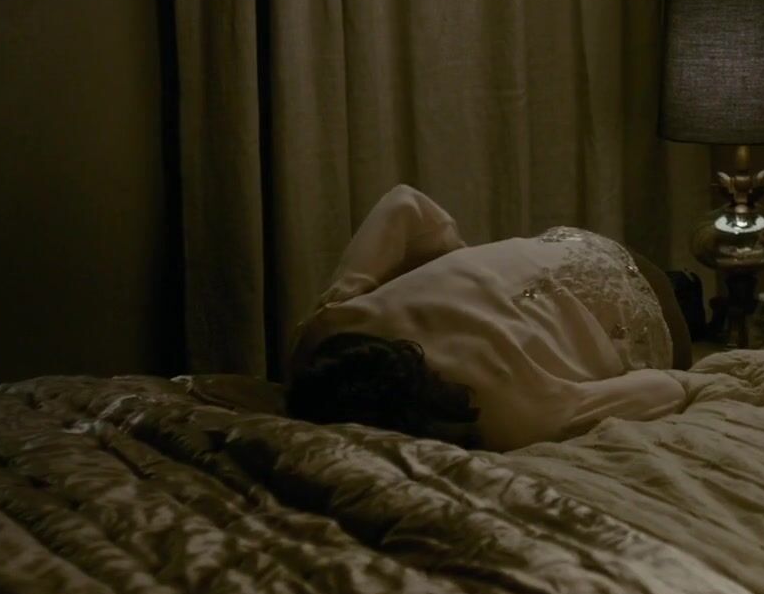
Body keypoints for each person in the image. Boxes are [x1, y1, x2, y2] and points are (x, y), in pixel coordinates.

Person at [287, 184, 706, 451]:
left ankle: (684, 290)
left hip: (651, 316)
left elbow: (662, 388)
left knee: (686, 297)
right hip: (575, 246)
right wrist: (463, 269)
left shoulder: (506, 418)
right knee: (688, 292)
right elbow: (404, 202)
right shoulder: (329, 328)